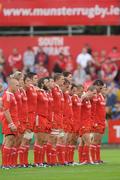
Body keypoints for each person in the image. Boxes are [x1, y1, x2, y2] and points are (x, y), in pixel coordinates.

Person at [2, 77, 19, 169]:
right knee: (9, 141)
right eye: (17, 85)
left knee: (12, 142)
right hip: (9, 121)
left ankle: (8, 163)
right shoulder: (7, 95)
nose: (18, 87)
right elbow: (6, 110)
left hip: (14, 121)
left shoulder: (11, 95)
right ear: (11, 85)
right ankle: (4, 164)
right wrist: (11, 124)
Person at [92, 80, 106, 163]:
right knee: (95, 140)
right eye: (100, 86)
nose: (101, 88)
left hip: (101, 121)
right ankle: (93, 159)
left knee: (99, 141)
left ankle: (98, 159)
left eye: (102, 86)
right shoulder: (94, 96)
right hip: (96, 121)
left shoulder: (101, 96)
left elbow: (102, 110)